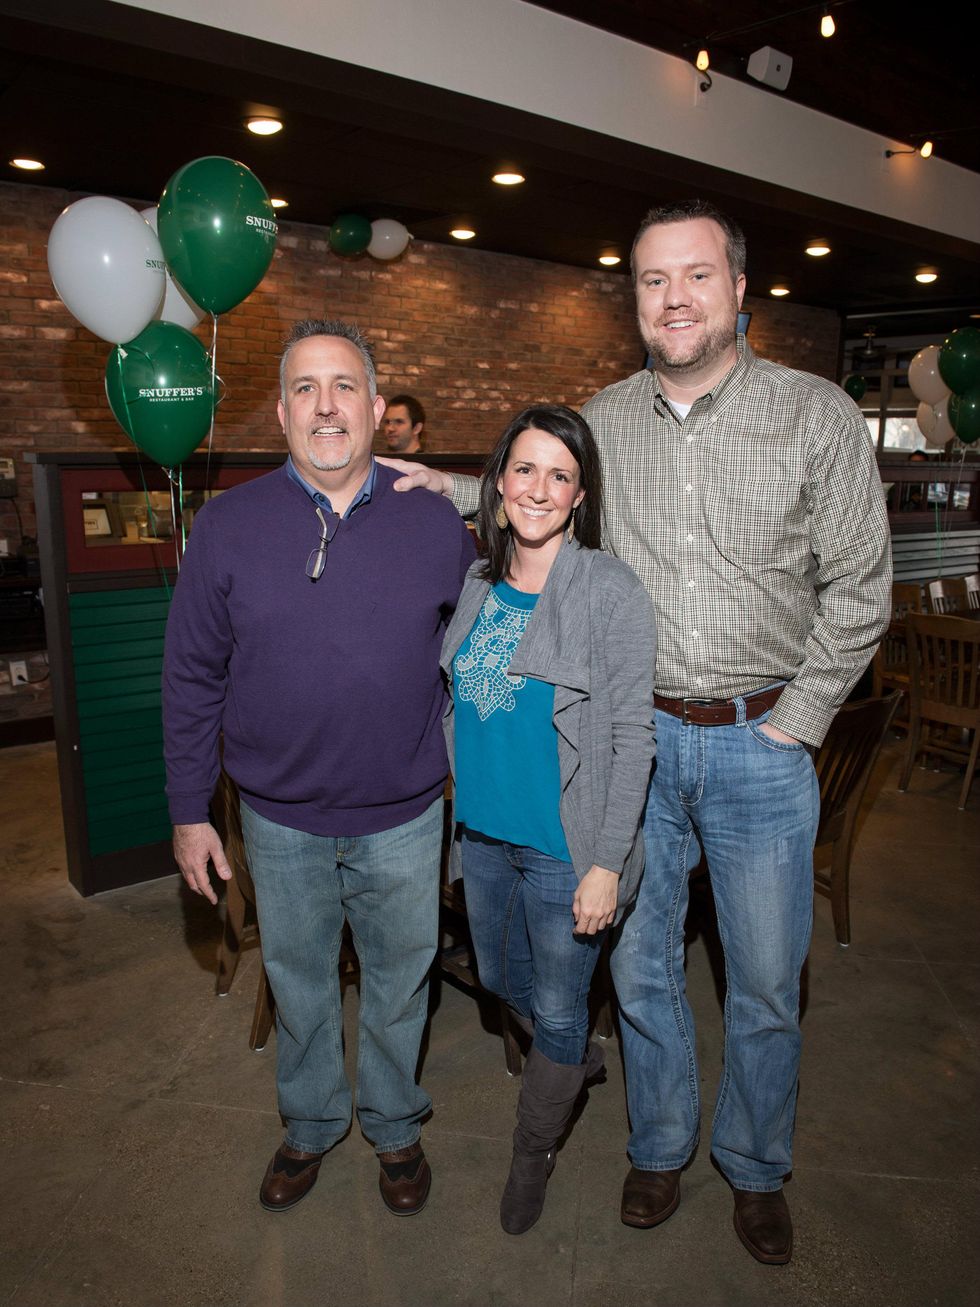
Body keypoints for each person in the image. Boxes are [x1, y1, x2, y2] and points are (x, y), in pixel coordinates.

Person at [382, 200, 891, 1264]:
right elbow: (534, 489)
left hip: (762, 741)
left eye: (695, 275)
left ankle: (752, 1164)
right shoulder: (603, 418)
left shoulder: (815, 413)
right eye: (652, 280)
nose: (672, 298)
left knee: (760, 982)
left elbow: (858, 589)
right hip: (634, 743)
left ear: (739, 289)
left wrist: (793, 725)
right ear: (634, 299)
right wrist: (445, 483)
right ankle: (657, 1145)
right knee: (643, 970)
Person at [163, 319, 475, 1218]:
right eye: (306, 388)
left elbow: (505, 601)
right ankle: (308, 1123)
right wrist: (191, 811)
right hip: (279, 816)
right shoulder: (227, 525)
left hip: (408, 813)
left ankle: (393, 1121)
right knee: (299, 980)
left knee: (398, 978)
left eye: (344, 386)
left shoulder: (432, 520)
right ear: (281, 412)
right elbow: (189, 673)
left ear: (378, 410)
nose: (326, 405)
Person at [441, 404, 656, 1235]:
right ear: (499, 482)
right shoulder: (477, 582)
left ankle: (533, 1149)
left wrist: (607, 860)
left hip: (567, 847)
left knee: (562, 1008)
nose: (539, 487)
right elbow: (456, 702)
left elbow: (634, 735)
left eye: (558, 474)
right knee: (499, 980)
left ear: (579, 494)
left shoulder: (609, 590)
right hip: (487, 836)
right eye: (524, 469)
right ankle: (570, 1062)